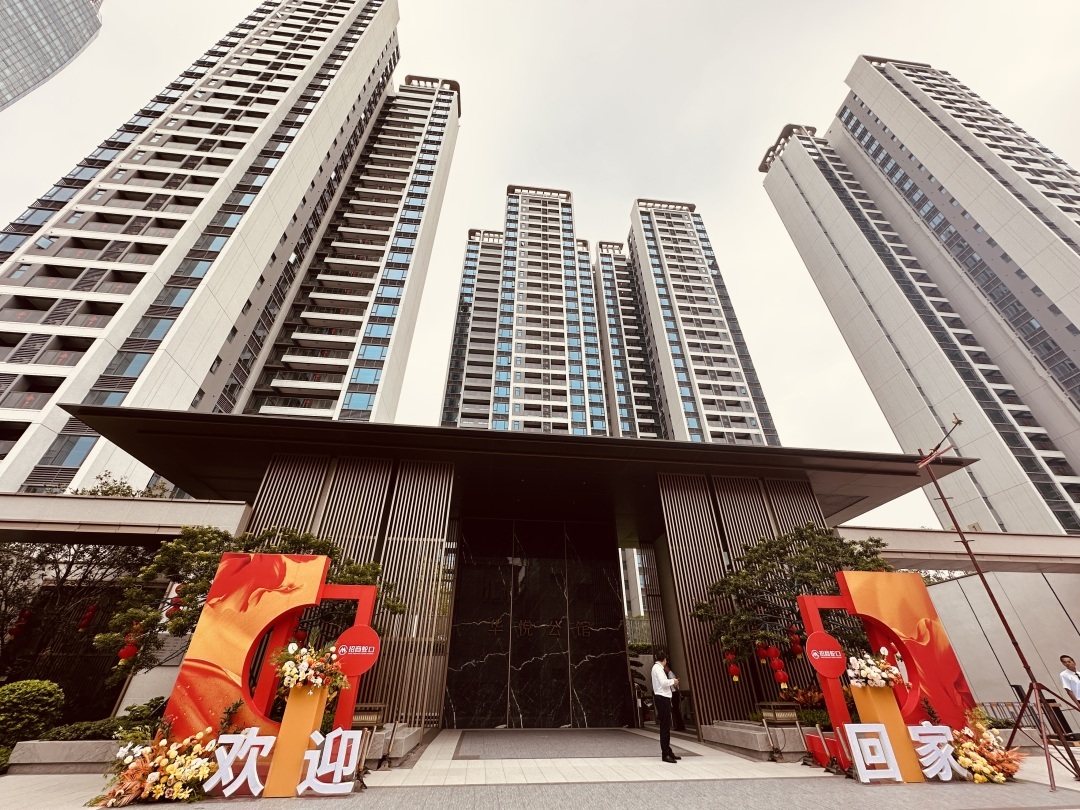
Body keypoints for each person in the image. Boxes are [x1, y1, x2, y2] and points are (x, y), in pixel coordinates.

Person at [651, 650, 680, 763]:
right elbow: (663, 682)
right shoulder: (658, 669)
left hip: (662, 698)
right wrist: (673, 681)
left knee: (665, 726)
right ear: (664, 660)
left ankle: (668, 751)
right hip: (662, 698)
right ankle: (665, 754)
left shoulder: (656, 668)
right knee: (665, 727)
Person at [666, 662, 687, 732]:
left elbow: (675, 685)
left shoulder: (671, 674)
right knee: (676, 710)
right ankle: (680, 725)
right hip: (674, 693)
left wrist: (679, 692)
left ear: (667, 667)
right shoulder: (669, 674)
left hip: (674, 693)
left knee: (676, 710)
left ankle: (680, 726)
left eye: (665, 667)